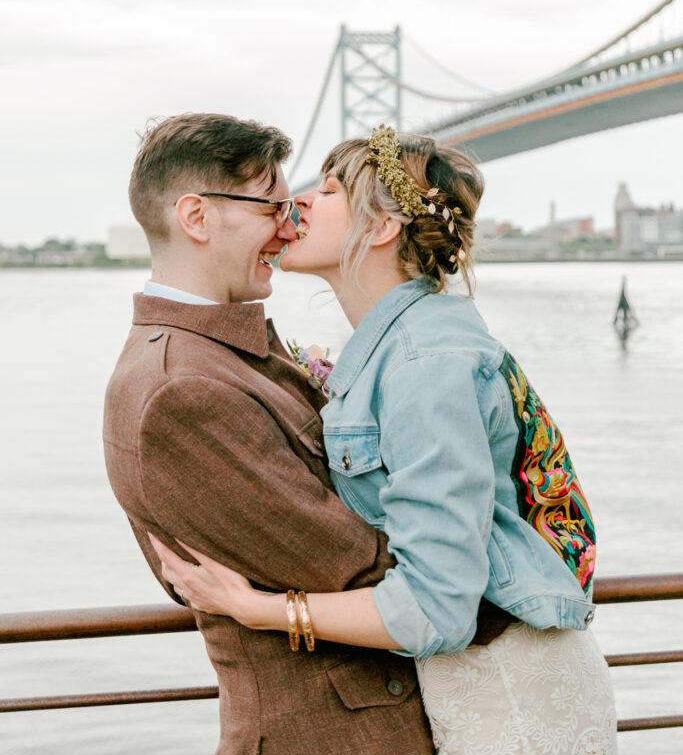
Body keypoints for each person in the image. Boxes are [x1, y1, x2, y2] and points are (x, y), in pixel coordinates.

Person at [152, 125, 618, 755]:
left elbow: (439, 606)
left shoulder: (425, 364)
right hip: (479, 683)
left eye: (333, 189)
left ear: (380, 228)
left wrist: (261, 608)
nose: (302, 202)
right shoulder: (400, 351)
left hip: (510, 702)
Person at [103, 114, 436, 755]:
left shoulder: (217, 354)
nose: (290, 226)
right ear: (197, 218)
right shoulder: (183, 392)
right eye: (272, 206)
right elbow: (364, 571)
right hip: (333, 737)